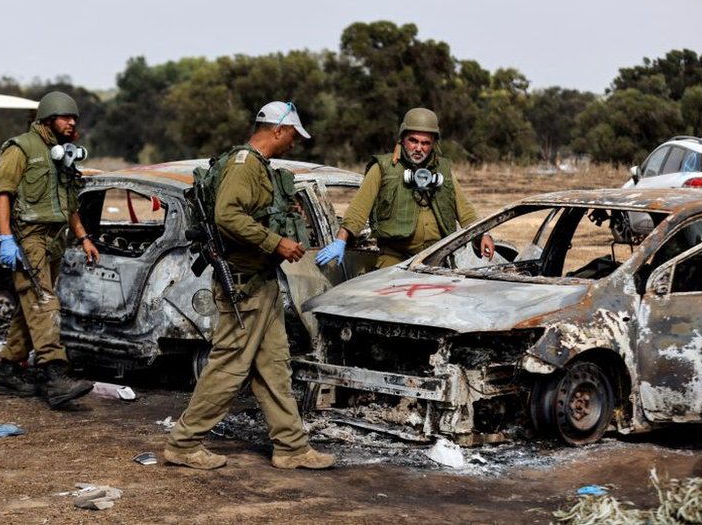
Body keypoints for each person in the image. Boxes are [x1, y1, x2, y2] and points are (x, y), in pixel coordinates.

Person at [164, 101, 336, 470]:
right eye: (292, 135)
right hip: (244, 288)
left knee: (274, 367)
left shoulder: (259, 167)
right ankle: (184, 443)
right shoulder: (244, 166)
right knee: (229, 367)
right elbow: (227, 215)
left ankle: (291, 447)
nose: (294, 142)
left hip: (262, 284)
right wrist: (276, 242)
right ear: (278, 130)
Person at [0, 91, 99, 410]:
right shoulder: (21, 148)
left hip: (55, 239)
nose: (72, 122)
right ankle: (54, 374)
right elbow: (3, 194)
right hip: (29, 237)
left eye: (74, 118)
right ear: (49, 119)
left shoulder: (62, 154)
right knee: (43, 302)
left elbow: (69, 204)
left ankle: (8, 372)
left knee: (32, 307)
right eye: (66, 117)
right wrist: (6, 237)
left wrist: (83, 238)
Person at [316, 107, 495, 270]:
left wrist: (483, 235)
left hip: (436, 258)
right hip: (394, 259)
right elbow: (358, 209)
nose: (418, 148)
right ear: (402, 139)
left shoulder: (443, 171)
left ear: (434, 144)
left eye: (425, 143)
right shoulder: (383, 168)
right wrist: (340, 241)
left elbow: (465, 211)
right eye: (413, 141)